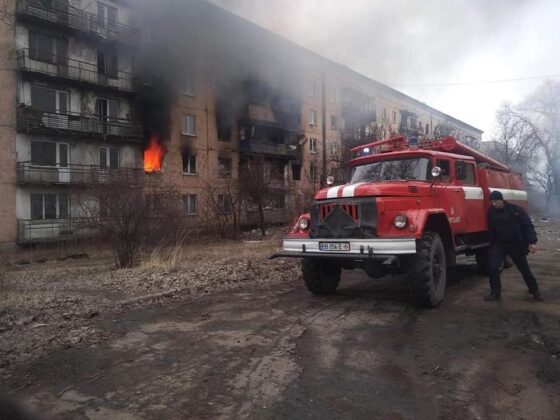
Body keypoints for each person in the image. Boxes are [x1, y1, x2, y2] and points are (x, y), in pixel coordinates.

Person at [484, 190, 542, 301]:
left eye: (496, 201)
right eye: (492, 202)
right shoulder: (491, 212)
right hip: (499, 244)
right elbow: (491, 229)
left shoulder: (515, 210)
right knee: (493, 267)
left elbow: (527, 226)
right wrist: (491, 244)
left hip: (515, 244)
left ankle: (535, 290)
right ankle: (495, 293)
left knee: (524, 269)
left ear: (501, 200)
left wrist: (532, 242)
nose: (494, 204)